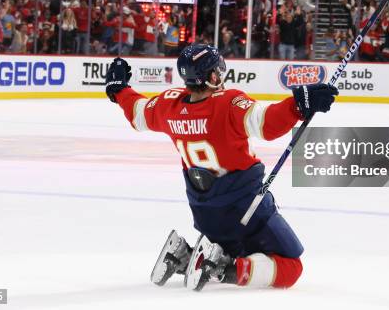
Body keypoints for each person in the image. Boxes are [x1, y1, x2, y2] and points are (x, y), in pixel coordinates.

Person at [105, 44, 337, 291]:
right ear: (211, 75)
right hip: (245, 209)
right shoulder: (227, 103)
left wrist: (120, 90)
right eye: (218, 69)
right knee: (291, 267)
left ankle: (185, 255)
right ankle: (224, 269)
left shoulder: (168, 105)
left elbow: (138, 113)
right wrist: (298, 105)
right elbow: (265, 122)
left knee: (239, 245)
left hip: (204, 213)